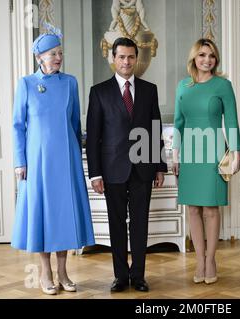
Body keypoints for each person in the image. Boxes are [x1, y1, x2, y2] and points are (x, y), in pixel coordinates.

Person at [12, 26, 95, 295]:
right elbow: (18, 126)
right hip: (37, 162)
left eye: (60, 52)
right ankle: (45, 274)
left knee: (64, 216)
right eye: (52, 53)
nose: (58, 57)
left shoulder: (71, 83)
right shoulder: (26, 84)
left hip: (67, 160)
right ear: (39, 57)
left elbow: (74, 122)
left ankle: (63, 272)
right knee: (42, 215)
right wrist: (19, 161)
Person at [86, 37, 167, 293]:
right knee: (117, 223)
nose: (126, 61)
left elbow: (155, 130)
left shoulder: (149, 89)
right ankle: (121, 276)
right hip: (112, 170)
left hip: (143, 167)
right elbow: (93, 135)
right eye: (121, 57)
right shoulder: (99, 92)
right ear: (113, 59)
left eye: (131, 57)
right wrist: (95, 174)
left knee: (140, 223)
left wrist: (159, 166)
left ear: (136, 59)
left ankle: (139, 275)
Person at [172, 38, 240, 285]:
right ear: (194, 58)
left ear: (216, 59)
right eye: (202, 55)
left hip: (214, 152)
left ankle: (211, 259)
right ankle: (199, 259)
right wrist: (175, 153)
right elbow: (178, 123)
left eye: (211, 56)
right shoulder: (182, 86)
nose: (207, 60)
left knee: (211, 208)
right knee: (193, 209)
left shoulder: (223, 85)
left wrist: (236, 152)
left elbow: (231, 121)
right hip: (190, 152)